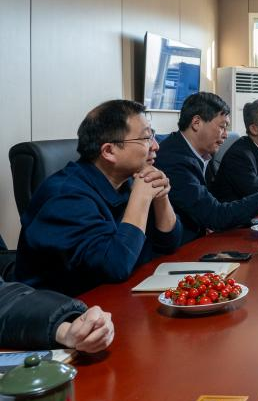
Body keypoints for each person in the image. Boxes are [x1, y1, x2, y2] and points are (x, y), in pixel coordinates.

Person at [13, 100, 182, 296]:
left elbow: (169, 243)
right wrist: (141, 198)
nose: (155, 146)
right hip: (65, 306)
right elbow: (115, 266)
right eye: (146, 138)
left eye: (152, 135)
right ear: (109, 151)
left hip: (121, 293)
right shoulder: (65, 197)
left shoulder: (126, 181)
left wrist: (160, 196)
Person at [156, 92, 258, 245]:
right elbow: (215, 215)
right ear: (196, 123)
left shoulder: (202, 154)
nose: (225, 135)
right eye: (222, 127)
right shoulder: (174, 160)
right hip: (182, 248)